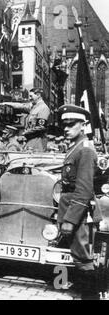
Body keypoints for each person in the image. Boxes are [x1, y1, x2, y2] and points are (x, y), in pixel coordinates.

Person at [57, 104, 101, 300]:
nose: (66, 128)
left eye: (71, 124)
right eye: (64, 124)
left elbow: (83, 190)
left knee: (82, 256)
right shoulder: (75, 148)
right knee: (77, 254)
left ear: (83, 125)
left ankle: (90, 296)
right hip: (69, 207)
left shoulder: (85, 150)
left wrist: (70, 220)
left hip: (78, 211)